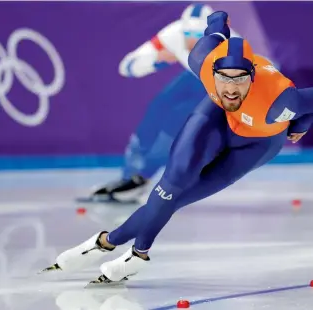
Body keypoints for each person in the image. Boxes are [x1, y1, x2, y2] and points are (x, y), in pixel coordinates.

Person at [44, 11, 313, 284]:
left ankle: (110, 243)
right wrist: (219, 18)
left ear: (252, 77)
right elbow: (216, 27)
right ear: (212, 72)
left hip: (258, 143)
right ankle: (135, 253)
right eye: (224, 77)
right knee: (170, 186)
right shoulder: (202, 60)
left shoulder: (280, 102)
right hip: (218, 115)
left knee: (180, 198)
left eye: (239, 79)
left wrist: (301, 124)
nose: (231, 89)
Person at [87, 3, 214, 202]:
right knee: (158, 108)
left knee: (177, 122)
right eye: (188, 33)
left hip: (219, 86)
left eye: (199, 35)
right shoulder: (172, 35)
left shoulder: (230, 45)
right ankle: (130, 177)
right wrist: (158, 60)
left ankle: (147, 177)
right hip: (193, 77)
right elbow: (127, 67)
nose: (191, 41)